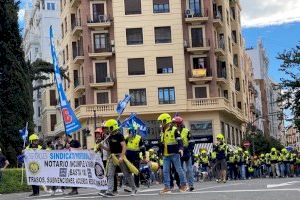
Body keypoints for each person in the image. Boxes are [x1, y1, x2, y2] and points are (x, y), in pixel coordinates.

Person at [97, 119, 137, 197]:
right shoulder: (109, 136)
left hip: (120, 155)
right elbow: (109, 149)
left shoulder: (119, 135)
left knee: (126, 173)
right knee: (110, 174)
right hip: (112, 156)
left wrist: (122, 156)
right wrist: (102, 146)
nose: (107, 129)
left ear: (112, 127)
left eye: (109, 127)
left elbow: (124, 146)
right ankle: (110, 191)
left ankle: (134, 188)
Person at [157, 113, 188, 194]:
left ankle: (184, 185)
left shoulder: (174, 130)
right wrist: (160, 154)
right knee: (165, 171)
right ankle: (167, 187)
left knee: (178, 169)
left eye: (161, 122)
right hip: (165, 155)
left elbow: (180, 140)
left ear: (165, 121)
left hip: (174, 153)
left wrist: (181, 149)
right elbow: (161, 143)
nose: (160, 124)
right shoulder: (162, 131)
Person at [172, 116, 195, 191]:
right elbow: (192, 141)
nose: (173, 124)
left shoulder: (183, 131)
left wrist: (190, 150)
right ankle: (184, 184)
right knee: (183, 169)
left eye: (174, 123)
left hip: (184, 151)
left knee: (187, 169)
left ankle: (190, 185)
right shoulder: (185, 131)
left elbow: (191, 141)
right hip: (182, 151)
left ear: (178, 124)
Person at [125, 125, 145, 190]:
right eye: (128, 132)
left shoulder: (139, 138)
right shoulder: (127, 138)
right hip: (128, 157)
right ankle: (129, 185)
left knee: (136, 171)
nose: (129, 133)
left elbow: (142, 148)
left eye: (130, 132)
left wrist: (144, 156)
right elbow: (124, 147)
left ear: (133, 132)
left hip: (136, 157)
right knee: (128, 171)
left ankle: (136, 185)